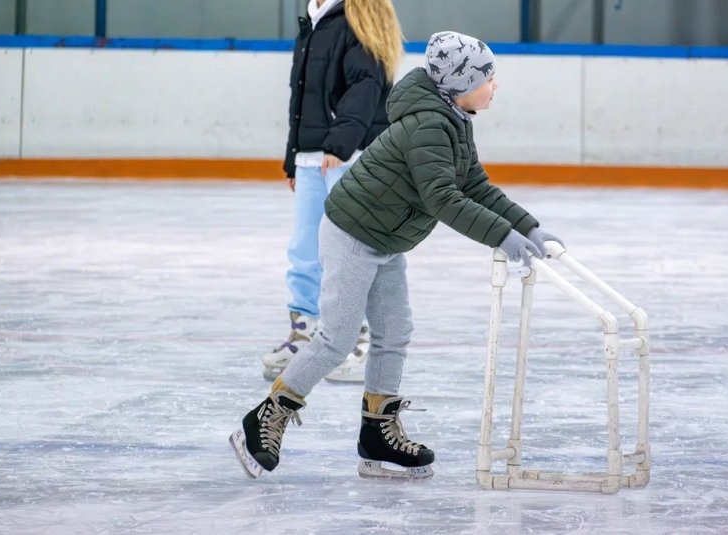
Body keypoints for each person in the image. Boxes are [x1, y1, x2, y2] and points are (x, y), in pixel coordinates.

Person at [232, 31, 564, 480]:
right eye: (487, 78)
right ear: (460, 83)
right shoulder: (429, 125)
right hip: (353, 233)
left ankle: (377, 433)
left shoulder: (452, 118)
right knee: (338, 337)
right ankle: (266, 416)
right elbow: (444, 198)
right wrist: (502, 237)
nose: (494, 85)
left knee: (395, 331)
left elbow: (475, 185)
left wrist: (527, 226)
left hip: (386, 239)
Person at [260, 0, 404, 383]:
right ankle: (305, 330)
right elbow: (301, 97)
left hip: (349, 156)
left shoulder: (357, 16)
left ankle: (356, 337)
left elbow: (366, 85)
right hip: (312, 157)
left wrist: (338, 144)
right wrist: (293, 156)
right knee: (305, 250)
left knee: (349, 253)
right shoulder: (313, 21)